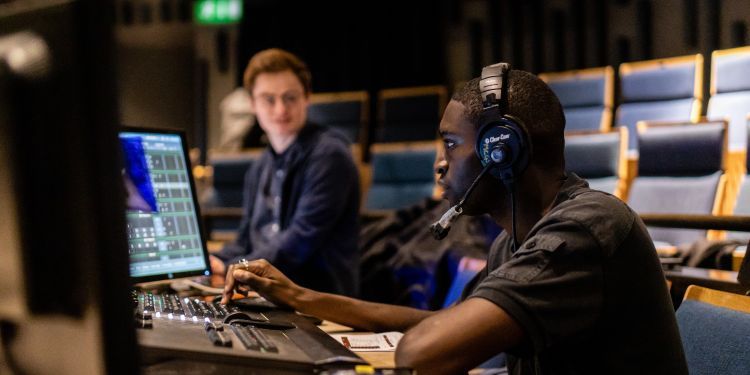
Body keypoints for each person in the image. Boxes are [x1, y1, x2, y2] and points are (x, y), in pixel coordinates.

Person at [222, 65, 688, 375]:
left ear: (500, 150)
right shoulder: (516, 240)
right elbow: (442, 321)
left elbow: (424, 353)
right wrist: (300, 297)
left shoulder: (582, 231)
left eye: (449, 143)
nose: (439, 164)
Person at [210, 48, 360, 297]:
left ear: (307, 97)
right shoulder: (259, 167)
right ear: (252, 104)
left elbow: (299, 243)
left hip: (319, 301)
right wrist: (213, 259)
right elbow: (245, 241)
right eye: (269, 99)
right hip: (270, 295)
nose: (280, 110)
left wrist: (232, 267)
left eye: (290, 97)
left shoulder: (330, 155)